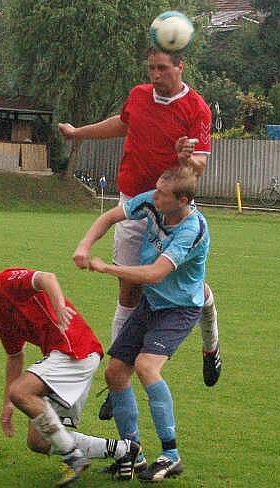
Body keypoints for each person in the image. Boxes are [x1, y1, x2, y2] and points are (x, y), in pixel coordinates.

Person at [62, 48, 221, 420]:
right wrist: (79, 133)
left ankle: (210, 341)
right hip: (136, 200)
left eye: (162, 69)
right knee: (129, 292)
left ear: (181, 66)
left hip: (173, 207)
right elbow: (122, 123)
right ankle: (121, 379)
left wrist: (186, 157)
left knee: (185, 288)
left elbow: (198, 168)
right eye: (151, 68)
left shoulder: (197, 108)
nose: (156, 75)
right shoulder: (138, 95)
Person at [0, 258, 142, 486]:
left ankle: (73, 458)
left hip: (74, 350)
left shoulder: (5, 281)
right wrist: (9, 402)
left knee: (22, 392)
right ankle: (124, 450)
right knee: (38, 441)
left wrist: (59, 307)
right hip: (62, 356)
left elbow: (47, 278)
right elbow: (15, 356)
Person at [80, 166, 209, 482]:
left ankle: (171, 454)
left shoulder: (193, 230)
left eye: (162, 194)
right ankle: (131, 451)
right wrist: (84, 245)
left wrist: (108, 269)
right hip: (151, 303)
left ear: (182, 199)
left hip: (179, 308)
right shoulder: (153, 201)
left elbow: (154, 273)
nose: (155, 196)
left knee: (146, 366)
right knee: (114, 372)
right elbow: (110, 217)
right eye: (156, 189)